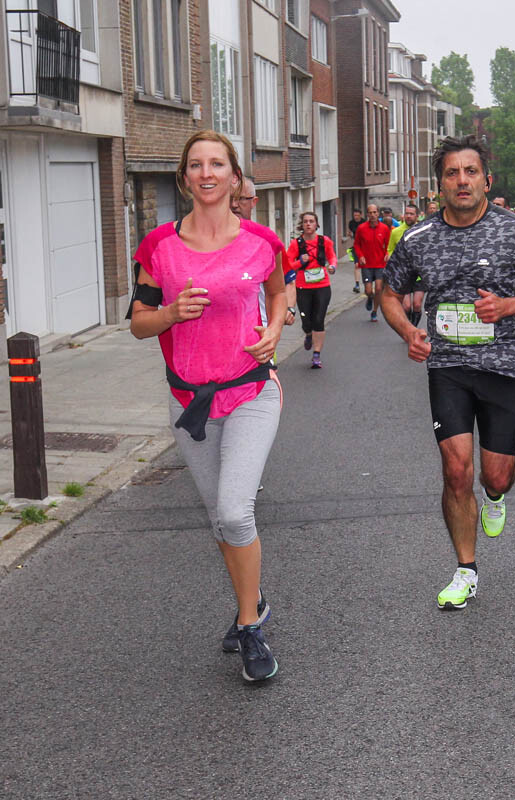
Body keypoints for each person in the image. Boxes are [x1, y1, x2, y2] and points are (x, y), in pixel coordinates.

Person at [380, 134, 515, 610]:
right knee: (456, 469)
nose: (461, 180)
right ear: (440, 184)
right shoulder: (418, 238)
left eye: (470, 172)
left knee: (496, 476)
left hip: (503, 365)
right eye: (452, 173)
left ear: (487, 180)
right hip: (448, 366)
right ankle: (466, 569)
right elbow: (389, 293)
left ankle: (496, 496)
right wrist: (408, 331)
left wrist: (508, 306)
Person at [128, 130, 286, 683]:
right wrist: (170, 313)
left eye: (217, 164)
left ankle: (250, 627)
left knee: (236, 512)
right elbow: (138, 324)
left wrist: (276, 331)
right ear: (185, 178)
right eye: (196, 165)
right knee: (221, 516)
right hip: (189, 402)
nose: (207, 173)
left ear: (234, 176)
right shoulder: (159, 247)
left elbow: (278, 291)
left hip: (251, 391)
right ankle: (252, 598)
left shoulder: (262, 240)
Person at [232, 177, 297, 330]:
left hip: (259, 332)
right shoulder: (210, 241)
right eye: (229, 199)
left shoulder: (267, 241)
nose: (234, 205)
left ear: (254, 202)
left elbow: (289, 282)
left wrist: (289, 309)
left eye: (241, 199)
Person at [287, 212, 337, 368]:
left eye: (311, 221)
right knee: (306, 322)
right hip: (303, 287)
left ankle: (316, 354)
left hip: (322, 286)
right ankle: (308, 334)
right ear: (302, 225)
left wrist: (332, 266)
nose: (308, 224)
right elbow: (288, 265)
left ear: (316, 224)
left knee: (319, 320)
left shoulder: (324, 241)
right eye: (305, 222)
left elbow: (332, 257)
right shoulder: (296, 244)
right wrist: (300, 262)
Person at [387, 203, 424, 325]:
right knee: (407, 306)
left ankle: (414, 326)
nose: (408, 216)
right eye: (407, 213)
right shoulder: (396, 232)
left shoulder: (422, 231)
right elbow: (390, 249)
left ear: (417, 216)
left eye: (411, 214)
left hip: (419, 275)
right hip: (404, 275)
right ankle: (409, 328)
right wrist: (391, 257)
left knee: (417, 305)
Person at [354, 204, 390, 321]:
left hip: (380, 264)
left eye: (375, 212)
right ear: (367, 214)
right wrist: (360, 256)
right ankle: (370, 297)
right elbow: (356, 244)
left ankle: (374, 312)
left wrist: (387, 254)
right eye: (370, 213)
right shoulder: (361, 228)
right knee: (368, 290)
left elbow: (388, 245)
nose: (373, 215)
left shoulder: (384, 228)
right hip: (367, 264)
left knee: (379, 288)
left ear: (378, 213)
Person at [347, 209, 363, 292]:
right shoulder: (351, 223)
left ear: (361, 215)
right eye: (354, 215)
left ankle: (368, 282)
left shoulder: (364, 222)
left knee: (366, 266)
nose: (356, 217)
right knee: (357, 265)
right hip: (356, 246)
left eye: (357, 215)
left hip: (365, 246)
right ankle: (357, 285)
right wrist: (350, 235)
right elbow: (350, 232)